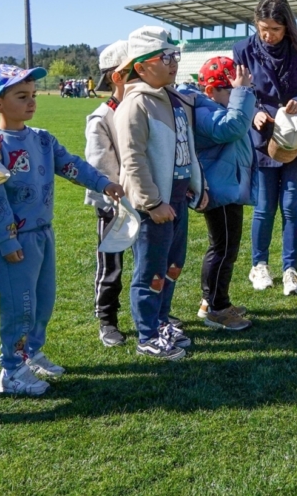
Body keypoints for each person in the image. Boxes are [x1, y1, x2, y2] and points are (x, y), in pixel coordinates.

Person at [0, 64, 124, 394]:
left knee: (43, 302)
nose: (31, 102)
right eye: (21, 96)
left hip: (43, 234)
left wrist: (103, 183)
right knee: (20, 307)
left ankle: (31, 353)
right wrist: (6, 240)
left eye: (32, 95)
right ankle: (11, 371)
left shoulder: (42, 139)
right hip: (15, 241)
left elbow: (71, 165)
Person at [115, 27, 207, 358]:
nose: (173, 63)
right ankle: (147, 334)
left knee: (173, 265)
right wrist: (152, 203)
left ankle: (162, 321)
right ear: (140, 67)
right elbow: (133, 159)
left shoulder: (172, 98)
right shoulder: (135, 104)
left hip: (177, 198)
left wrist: (197, 186)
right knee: (151, 271)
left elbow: (186, 148)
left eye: (174, 56)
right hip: (153, 206)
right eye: (165, 57)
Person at [233, 0, 297, 296]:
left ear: (287, 25)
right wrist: (254, 112)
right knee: (263, 208)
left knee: (291, 206)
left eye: (275, 29)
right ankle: (258, 265)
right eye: (263, 28)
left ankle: (291, 269)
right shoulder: (243, 49)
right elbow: (240, 91)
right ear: (255, 23)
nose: (268, 35)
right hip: (262, 139)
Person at [178, 56, 256, 330]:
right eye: (231, 90)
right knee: (222, 249)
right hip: (219, 189)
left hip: (226, 186)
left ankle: (211, 301)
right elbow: (232, 128)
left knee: (225, 248)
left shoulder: (213, 106)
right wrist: (243, 93)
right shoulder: (204, 110)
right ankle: (216, 308)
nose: (236, 96)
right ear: (211, 90)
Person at [85, 40, 130, 347]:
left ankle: (152, 314)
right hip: (114, 205)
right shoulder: (102, 117)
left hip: (146, 200)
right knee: (111, 265)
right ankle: (107, 319)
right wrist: (116, 201)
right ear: (118, 77)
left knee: (150, 263)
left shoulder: (146, 109)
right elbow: (100, 168)